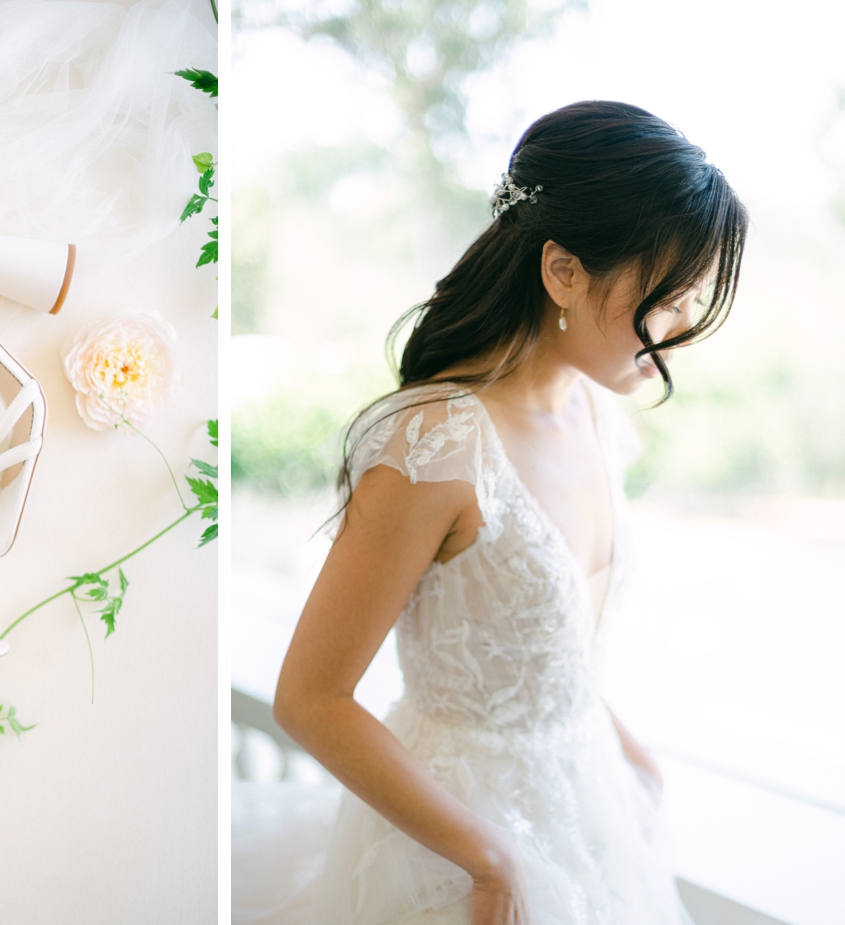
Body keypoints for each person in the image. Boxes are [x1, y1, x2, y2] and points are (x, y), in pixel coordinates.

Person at [270, 100, 748, 924]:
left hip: (590, 805)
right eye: (667, 298)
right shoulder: (434, 443)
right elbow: (310, 697)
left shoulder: (600, 415)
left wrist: (626, 753)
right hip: (454, 849)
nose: (680, 331)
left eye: (693, 300)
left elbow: (549, 649)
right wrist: (489, 855)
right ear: (563, 270)